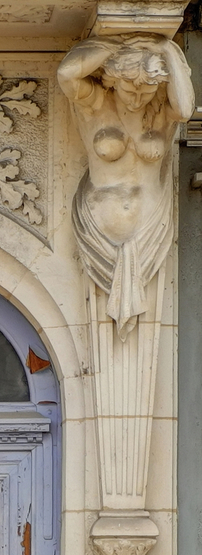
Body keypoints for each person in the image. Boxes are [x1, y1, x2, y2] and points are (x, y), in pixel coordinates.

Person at [57, 33, 194, 339]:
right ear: (112, 80)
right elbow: (67, 74)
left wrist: (166, 49)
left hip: (149, 229)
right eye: (129, 89)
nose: (136, 98)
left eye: (146, 91)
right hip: (99, 228)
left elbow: (185, 110)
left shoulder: (160, 114)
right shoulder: (95, 105)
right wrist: (117, 47)